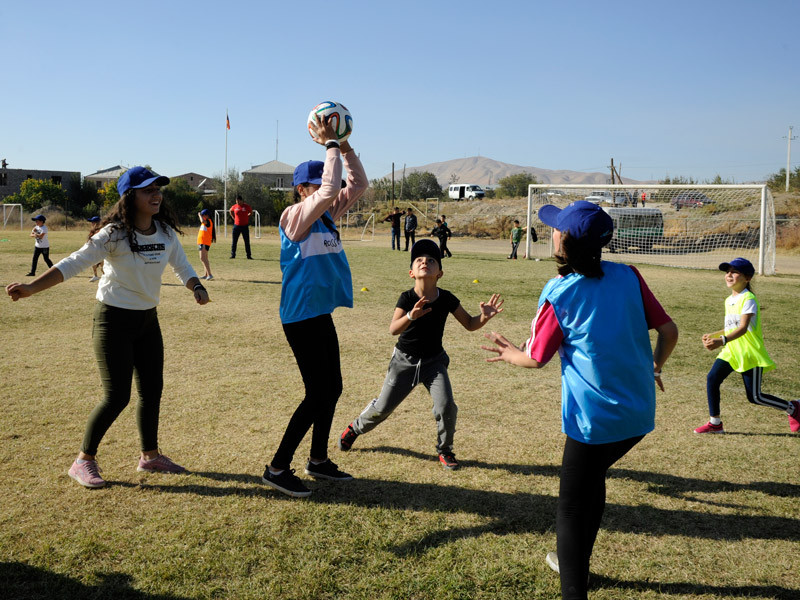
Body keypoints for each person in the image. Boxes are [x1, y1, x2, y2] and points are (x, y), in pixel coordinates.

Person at [481, 200, 678, 600]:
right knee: (592, 482)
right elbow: (669, 331)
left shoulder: (559, 290)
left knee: (571, 506)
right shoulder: (629, 275)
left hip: (593, 421)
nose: (551, 230)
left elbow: (536, 358)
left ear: (564, 240)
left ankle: (574, 584)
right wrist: (654, 367)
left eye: (556, 227)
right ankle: (578, 564)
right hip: (637, 415)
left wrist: (508, 353)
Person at [6, 166, 210, 489]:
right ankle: (83, 461)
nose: (156, 194)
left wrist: (196, 285)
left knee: (152, 390)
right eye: (147, 190)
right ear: (130, 197)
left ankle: (150, 456)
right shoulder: (113, 234)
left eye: (158, 188)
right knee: (117, 396)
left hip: (147, 320)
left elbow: (182, 265)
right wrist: (32, 287)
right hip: (113, 320)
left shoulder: (165, 232)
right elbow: (74, 262)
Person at [261, 114, 367, 499]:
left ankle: (318, 461)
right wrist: (330, 145)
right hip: (300, 318)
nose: (333, 188)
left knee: (332, 388)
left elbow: (359, 184)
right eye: (322, 182)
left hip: (318, 315)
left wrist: (346, 145)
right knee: (317, 393)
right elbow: (329, 190)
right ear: (301, 189)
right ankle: (276, 468)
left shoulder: (326, 216)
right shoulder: (295, 217)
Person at [338, 239, 503, 470]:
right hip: (403, 362)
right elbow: (393, 329)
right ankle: (354, 428)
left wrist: (484, 317)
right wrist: (411, 316)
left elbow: (469, 324)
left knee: (446, 406)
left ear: (440, 273)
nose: (425, 262)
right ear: (411, 273)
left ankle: (445, 450)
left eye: (431, 260)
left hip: (434, 363)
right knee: (383, 408)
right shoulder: (407, 298)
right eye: (419, 260)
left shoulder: (446, 299)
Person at [694, 257, 799, 434]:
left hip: (749, 353)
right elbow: (731, 327)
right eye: (727, 272)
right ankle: (715, 423)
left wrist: (721, 341)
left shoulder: (748, 298)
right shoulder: (729, 300)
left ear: (747, 278)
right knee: (712, 378)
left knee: (755, 397)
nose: (729, 275)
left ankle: (793, 408)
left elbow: (743, 328)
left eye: (735, 272)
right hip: (731, 351)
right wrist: (714, 335)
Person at [229, 194, 253, 259]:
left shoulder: (246, 206)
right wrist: (234, 218)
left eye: (239, 201)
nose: (237, 202)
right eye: (236, 201)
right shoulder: (235, 206)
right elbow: (230, 211)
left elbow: (251, 212)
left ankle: (249, 255)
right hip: (236, 226)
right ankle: (233, 255)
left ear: (242, 200)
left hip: (245, 227)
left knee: (247, 242)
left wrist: (247, 216)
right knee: (234, 241)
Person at [197, 209, 216, 280]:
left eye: (203, 215)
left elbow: (202, 220)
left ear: (206, 216)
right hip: (202, 242)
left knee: (203, 258)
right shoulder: (204, 223)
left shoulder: (208, 221)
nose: (202, 217)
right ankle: (206, 274)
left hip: (204, 242)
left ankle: (210, 274)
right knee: (204, 258)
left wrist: (199, 215)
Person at [86, 216, 104, 282]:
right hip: (94, 249)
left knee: (103, 265)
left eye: (92, 222)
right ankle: (96, 276)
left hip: (101, 250)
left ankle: (104, 275)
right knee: (93, 263)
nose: (91, 224)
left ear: (97, 223)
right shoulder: (93, 230)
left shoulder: (101, 230)